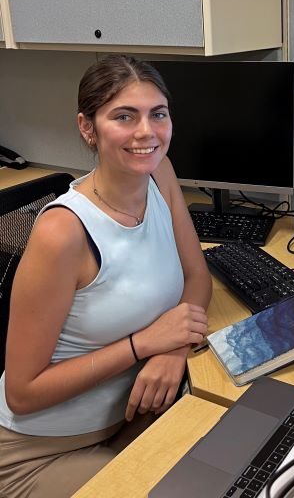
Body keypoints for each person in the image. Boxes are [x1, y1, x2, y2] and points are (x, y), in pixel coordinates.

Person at [0, 54, 212, 498]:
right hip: (35, 453)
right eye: (124, 116)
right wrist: (143, 344)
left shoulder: (159, 174)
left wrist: (174, 348)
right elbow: (22, 392)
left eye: (158, 114)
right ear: (87, 127)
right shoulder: (63, 232)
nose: (146, 132)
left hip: (127, 420)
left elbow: (198, 278)